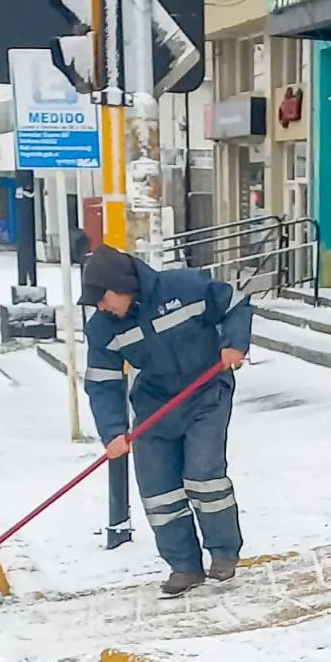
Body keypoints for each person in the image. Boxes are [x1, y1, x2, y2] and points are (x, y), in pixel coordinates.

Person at [79, 245, 253, 597]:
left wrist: (235, 343)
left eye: (104, 297)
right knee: (159, 490)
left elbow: (235, 303)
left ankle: (223, 551)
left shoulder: (184, 287)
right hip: (155, 405)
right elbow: (102, 382)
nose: (101, 306)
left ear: (123, 283)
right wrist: (112, 431)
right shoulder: (103, 329)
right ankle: (184, 566)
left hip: (206, 392)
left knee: (203, 475)